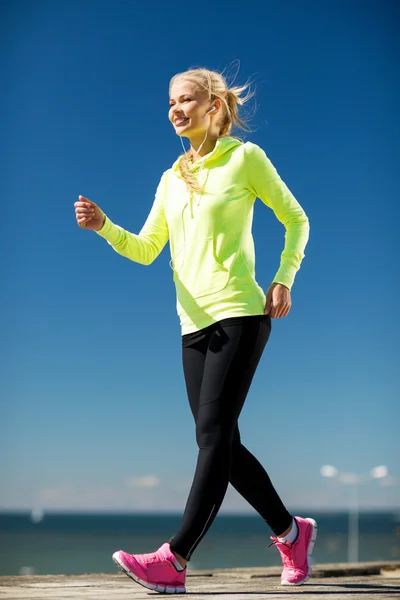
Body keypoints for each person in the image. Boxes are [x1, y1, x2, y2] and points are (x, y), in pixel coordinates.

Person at [74, 66, 316, 594]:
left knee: (211, 437)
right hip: (193, 324)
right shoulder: (169, 178)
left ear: (213, 105)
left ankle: (175, 559)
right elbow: (145, 251)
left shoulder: (245, 159)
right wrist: (104, 227)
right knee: (220, 441)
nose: (176, 109)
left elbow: (296, 219)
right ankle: (291, 532)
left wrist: (283, 278)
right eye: (169, 103)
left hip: (240, 313)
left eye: (186, 99)